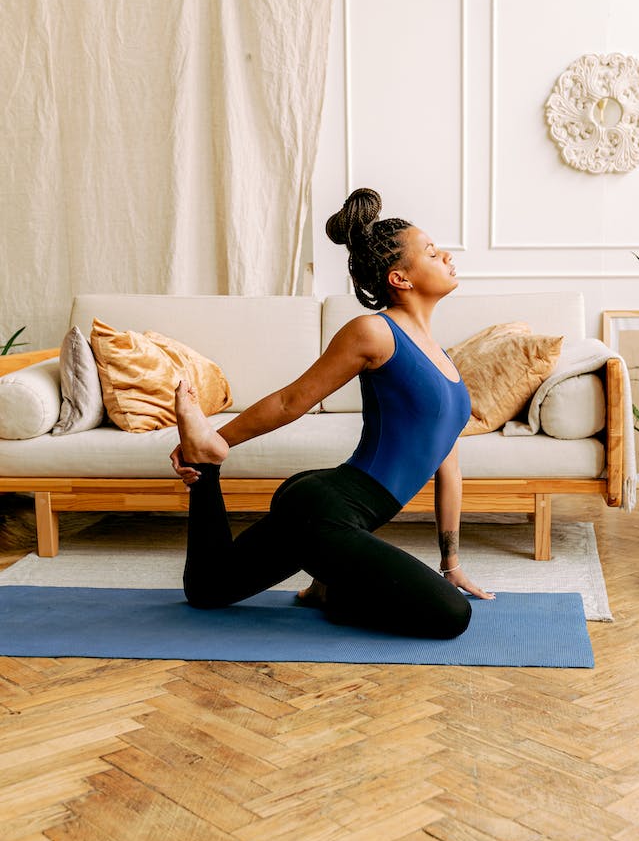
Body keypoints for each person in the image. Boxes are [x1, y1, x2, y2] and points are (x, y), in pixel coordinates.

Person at [169, 187, 494, 640]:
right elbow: (292, 401)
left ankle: (210, 475)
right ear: (400, 278)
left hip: (332, 512)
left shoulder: (443, 360)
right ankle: (210, 456)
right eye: (431, 251)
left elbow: (449, 466)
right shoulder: (375, 332)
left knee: (208, 590)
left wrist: (451, 563)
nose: (445, 256)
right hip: (326, 508)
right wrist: (219, 438)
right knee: (451, 617)